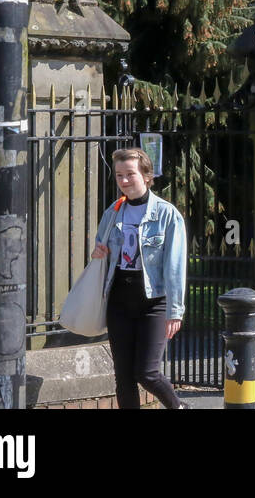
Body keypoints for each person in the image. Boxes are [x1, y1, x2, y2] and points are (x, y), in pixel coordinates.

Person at [91, 148, 187, 410]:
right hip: (119, 298)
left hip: (152, 300)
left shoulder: (167, 214)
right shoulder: (113, 212)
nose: (123, 181)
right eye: (119, 175)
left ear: (147, 176)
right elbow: (102, 254)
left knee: (147, 373)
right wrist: (98, 253)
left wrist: (175, 311)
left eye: (130, 175)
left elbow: (175, 266)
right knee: (123, 377)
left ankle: (179, 407)